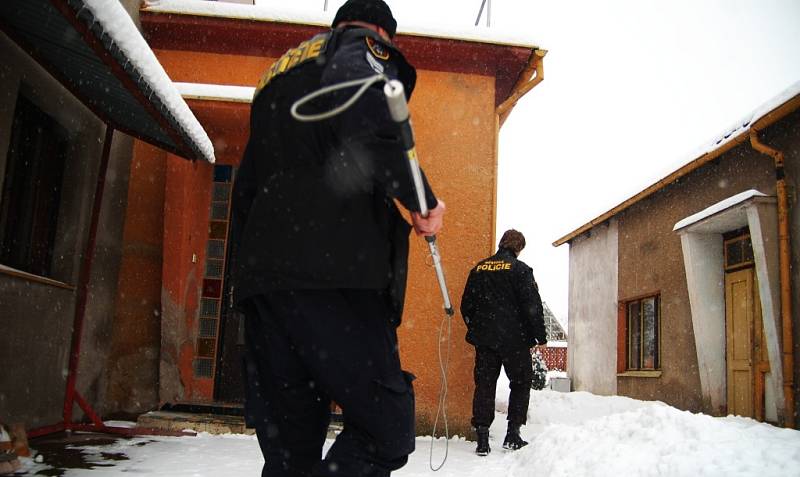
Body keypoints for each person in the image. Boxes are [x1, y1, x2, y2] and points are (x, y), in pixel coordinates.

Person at [229, 1, 445, 476]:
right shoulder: (359, 47)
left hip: (268, 287)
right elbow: (368, 112)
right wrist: (420, 199)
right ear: (380, 31)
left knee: (291, 451)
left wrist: (246, 280)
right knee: (385, 428)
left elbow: (246, 187)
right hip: (336, 275)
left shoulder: (275, 76)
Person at [460, 229, 546, 456]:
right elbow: (533, 306)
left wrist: (477, 328)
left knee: (485, 384)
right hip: (515, 340)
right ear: (518, 248)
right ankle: (512, 434)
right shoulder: (521, 270)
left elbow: (466, 305)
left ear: (501, 243)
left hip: (485, 340)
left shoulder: (479, 269)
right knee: (520, 382)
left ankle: (482, 438)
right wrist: (540, 336)